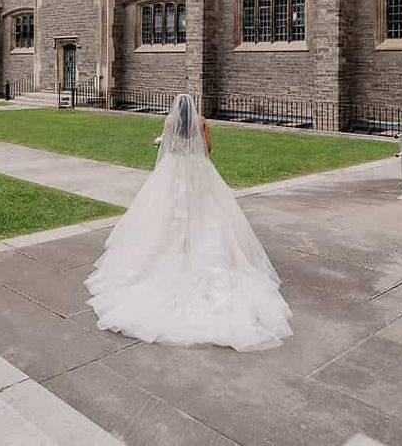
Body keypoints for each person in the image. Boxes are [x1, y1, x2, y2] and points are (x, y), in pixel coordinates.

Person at [85, 93, 292, 352]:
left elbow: (168, 148)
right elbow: (208, 149)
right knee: (206, 214)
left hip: (173, 172)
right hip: (197, 171)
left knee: (164, 215)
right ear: (192, 108)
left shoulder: (170, 121)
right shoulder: (202, 121)